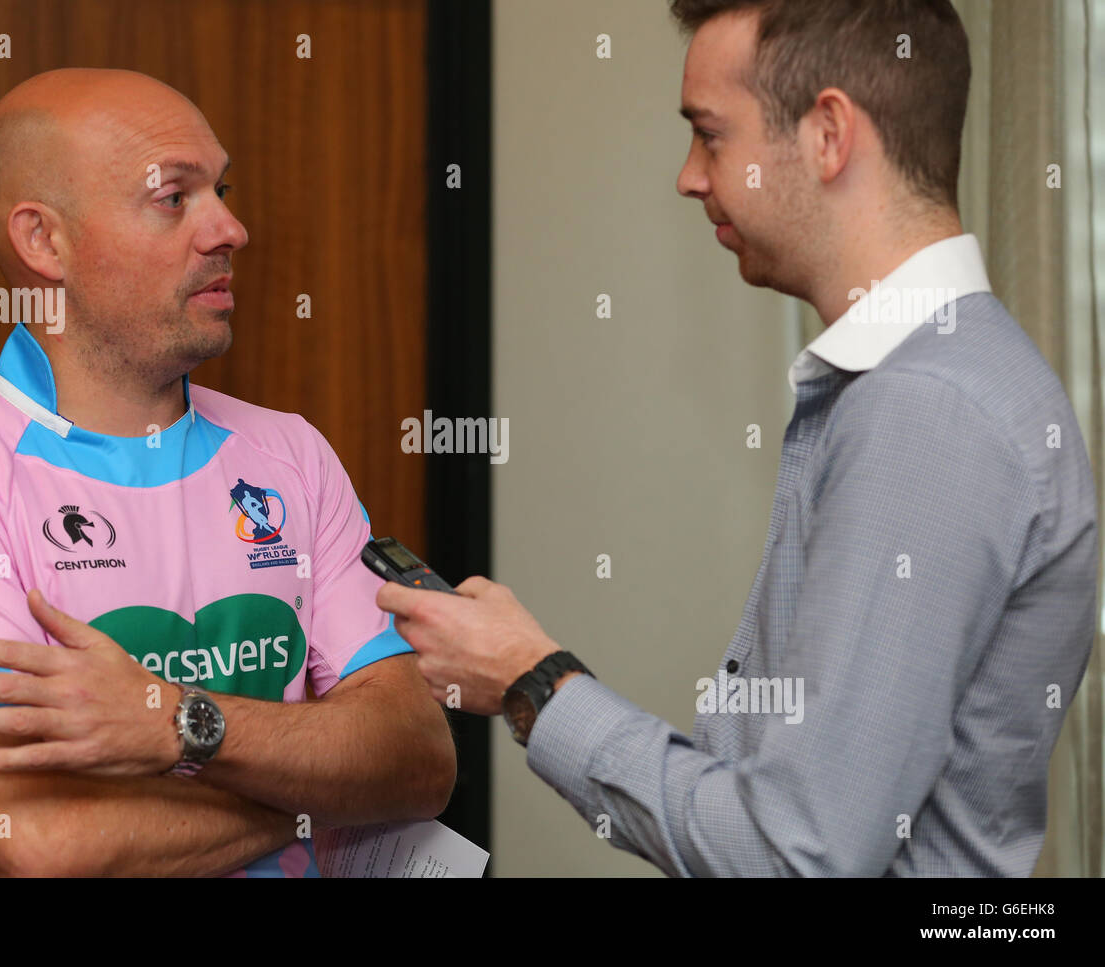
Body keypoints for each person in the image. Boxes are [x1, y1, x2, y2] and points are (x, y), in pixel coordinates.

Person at [378, 0, 1099, 876]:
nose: (688, 175)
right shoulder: (934, 377)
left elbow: (796, 854)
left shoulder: (926, 409)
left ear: (829, 133)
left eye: (710, 135)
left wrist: (536, 683)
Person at [0, 68, 456, 877]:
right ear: (43, 242)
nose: (230, 227)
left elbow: (416, 758)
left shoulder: (292, 454)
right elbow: (45, 847)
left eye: (222, 188)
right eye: (175, 196)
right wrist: (318, 788)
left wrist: (171, 718)